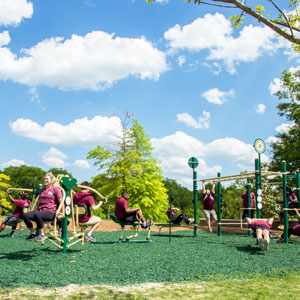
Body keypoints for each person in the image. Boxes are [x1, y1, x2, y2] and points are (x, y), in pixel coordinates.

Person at [23, 172, 64, 242]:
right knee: (25, 215)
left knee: (37, 214)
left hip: (50, 211)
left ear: (51, 180)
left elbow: (61, 202)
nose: (45, 180)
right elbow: (39, 201)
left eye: (47, 179)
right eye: (44, 179)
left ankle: (41, 234)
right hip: (40, 210)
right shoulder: (42, 190)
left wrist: (62, 213)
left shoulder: (55, 189)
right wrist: (36, 209)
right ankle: (32, 233)